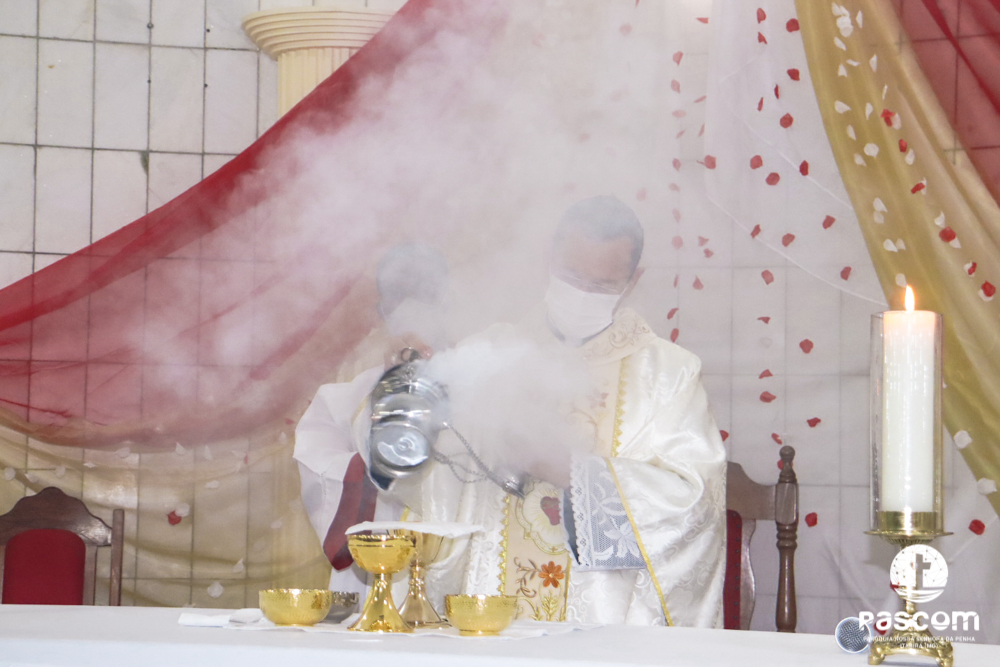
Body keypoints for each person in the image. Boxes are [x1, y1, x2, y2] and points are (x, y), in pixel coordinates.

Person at [359, 196, 727, 627]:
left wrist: (571, 471)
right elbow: (416, 474)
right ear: (549, 259)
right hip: (491, 621)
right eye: (572, 277)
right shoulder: (492, 350)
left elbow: (693, 506)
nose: (583, 294)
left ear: (633, 281)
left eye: (602, 286)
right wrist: (401, 389)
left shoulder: (668, 374)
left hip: (604, 630)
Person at [293, 243, 450, 596]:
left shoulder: (481, 387)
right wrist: (396, 387)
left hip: (455, 564)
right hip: (378, 573)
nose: (412, 305)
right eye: (399, 294)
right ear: (382, 312)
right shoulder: (344, 399)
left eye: (424, 291)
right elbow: (320, 470)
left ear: (447, 302)